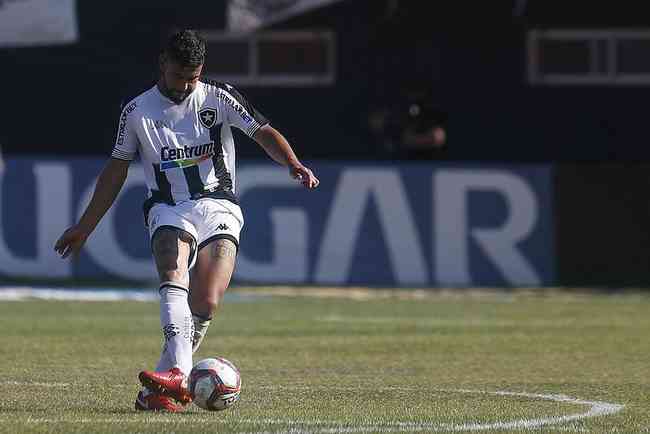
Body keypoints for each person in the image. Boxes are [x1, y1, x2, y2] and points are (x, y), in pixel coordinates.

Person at [54, 29, 319, 412]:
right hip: (169, 207)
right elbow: (116, 171)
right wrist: (85, 226)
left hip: (219, 206)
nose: (186, 85)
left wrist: (292, 163)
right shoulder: (137, 112)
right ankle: (180, 371)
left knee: (207, 302)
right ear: (163, 64)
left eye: (193, 76)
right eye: (180, 76)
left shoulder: (219, 96)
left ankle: (156, 392)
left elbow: (262, 132)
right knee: (170, 261)